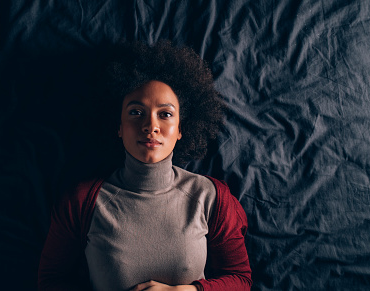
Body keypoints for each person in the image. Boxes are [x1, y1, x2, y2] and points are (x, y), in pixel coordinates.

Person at [38, 41, 252, 291]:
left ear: (182, 128)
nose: (151, 126)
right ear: (118, 126)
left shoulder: (211, 198)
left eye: (165, 114)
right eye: (136, 112)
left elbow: (240, 279)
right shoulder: (82, 202)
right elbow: (50, 281)